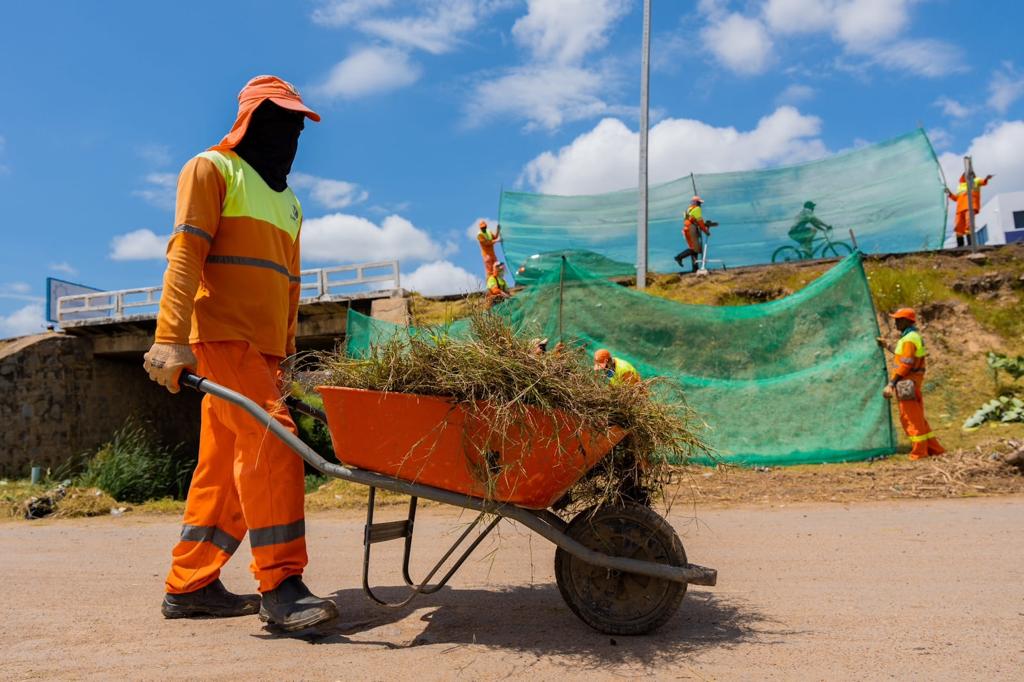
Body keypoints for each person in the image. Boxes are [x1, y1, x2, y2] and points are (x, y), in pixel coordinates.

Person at [142, 75, 338, 632]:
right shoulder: (211, 169)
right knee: (274, 444)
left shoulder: (291, 203)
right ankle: (281, 585)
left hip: (267, 352)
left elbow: (290, 285)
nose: (291, 137)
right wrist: (169, 337)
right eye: (280, 122)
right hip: (223, 336)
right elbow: (185, 256)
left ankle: (191, 584)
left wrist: (291, 357)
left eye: (298, 127)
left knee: (223, 468)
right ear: (249, 121)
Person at [879, 308, 946, 460]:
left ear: (907, 321)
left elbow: (906, 364)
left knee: (911, 418)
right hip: (912, 381)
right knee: (918, 417)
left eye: (898, 319)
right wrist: (887, 345)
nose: (895, 322)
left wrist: (891, 384)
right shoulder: (910, 337)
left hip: (906, 382)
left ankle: (919, 452)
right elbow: (901, 353)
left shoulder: (909, 339)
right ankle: (934, 449)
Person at [947, 173, 994, 247]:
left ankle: (971, 245)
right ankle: (960, 246)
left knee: (969, 225)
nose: (968, 176)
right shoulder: (960, 186)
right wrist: (949, 193)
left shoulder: (976, 181)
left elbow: (983, 182)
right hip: (960, 209)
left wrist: (986, 179)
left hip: (970, 206)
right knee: (958, 228)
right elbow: (956, 198)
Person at [674, 196, 715, 273]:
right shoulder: (697, 209)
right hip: (691, 229)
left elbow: (691, 219)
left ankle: (695, 268)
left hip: (686, 229)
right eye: (699, 203)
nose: (700, 204)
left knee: (694, 248)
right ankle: (679, 257)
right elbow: (700, 221)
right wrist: (706, 231)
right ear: (696, 202)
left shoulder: (688, 209)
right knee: (694, 249)